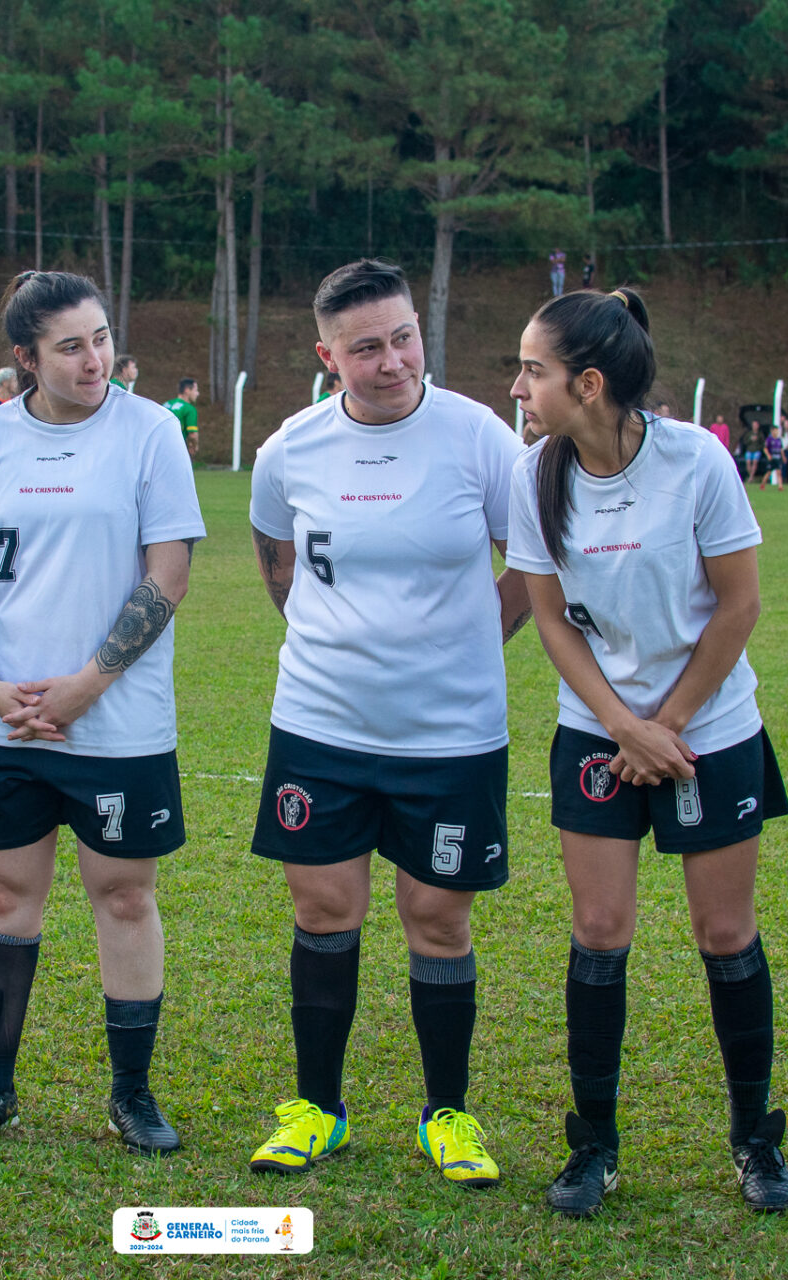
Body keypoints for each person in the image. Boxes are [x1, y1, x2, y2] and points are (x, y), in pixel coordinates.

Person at [500, 286, 788, 1219]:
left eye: (533, 371)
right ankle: (593, 1147)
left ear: (587, 384)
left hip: (708, 731)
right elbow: (548, 617)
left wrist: (666, 724)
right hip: (600, 732)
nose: (518, 387)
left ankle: (756, 1140)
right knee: (598, 932)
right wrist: (624, 727)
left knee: (725, 936)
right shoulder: (533, 472)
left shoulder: (698, 462)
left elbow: (738, 606)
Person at [245, 258, 525, 1190]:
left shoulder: (480, 438)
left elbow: (525, 565)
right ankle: (316, 1109)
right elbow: (277, 563)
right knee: (323, 909)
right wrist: (336, 648)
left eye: (403, 336)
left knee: (437, 919)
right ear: (329, 356)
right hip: (320, 727)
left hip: (451, 735)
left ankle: (447, 1114)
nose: (394, 359)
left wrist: (467, 645)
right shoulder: (289, 448)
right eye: (367, 347)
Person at [0, 270, 205, 1156]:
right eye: (71, 346)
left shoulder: (151, 431)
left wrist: (89, 683)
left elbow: (167, 574)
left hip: (116, 724)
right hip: (7, 723)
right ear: (24, 359)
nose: (96, 360)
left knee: (124, 898)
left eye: (100, 338)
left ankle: (133, 1096)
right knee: (7, 894)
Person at [164, 377, 200, 458]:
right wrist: (194, 446)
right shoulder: (189, 409)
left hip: (160, 448)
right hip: (176, 451)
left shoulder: (165, 404)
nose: (197, 393)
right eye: (195, 390)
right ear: (187, 390)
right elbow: (192, 434)